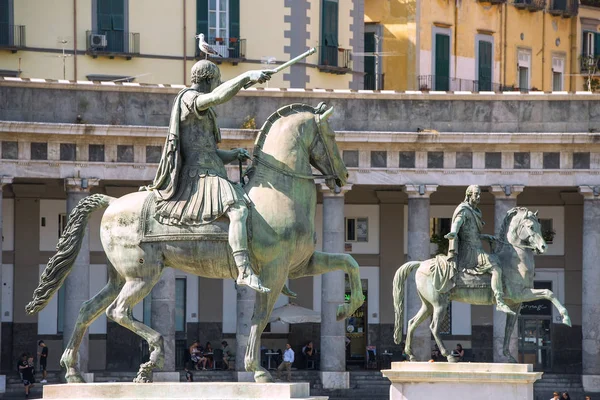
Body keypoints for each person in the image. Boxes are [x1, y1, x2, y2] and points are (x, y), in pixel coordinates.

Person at [142, 60, 273, 294]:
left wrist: (233, 154)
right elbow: (216, 98)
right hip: (200, 176)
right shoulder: (189, 98)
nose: (218, 84)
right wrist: (246, 77)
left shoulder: (205, 110)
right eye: (217, 80)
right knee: (239, 209)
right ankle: (243, 270)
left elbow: (209, 153)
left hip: (212, 170)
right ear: (207, 80)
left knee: (249, 209)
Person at [444, 185, 514, 315]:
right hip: (470, 250)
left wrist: (485, 236)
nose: (478, 197)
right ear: (469, 194)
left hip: (477, 247)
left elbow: (473, 233)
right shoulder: (463, 210)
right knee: (496, 268)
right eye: (476, 194)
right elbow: (457, 222)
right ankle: (499, 301)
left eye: (480, 194)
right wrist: (453, 232)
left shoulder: (477, 212)